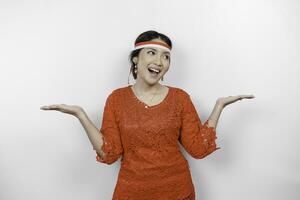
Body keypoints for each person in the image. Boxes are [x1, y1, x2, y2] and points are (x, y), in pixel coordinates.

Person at [40, 30, 255, 200]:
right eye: (152, 53)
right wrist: (81, 115)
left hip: (177, 191)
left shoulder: (180, 98)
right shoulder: (116, 99)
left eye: (166, 57)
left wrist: (219, 107)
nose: (159, 62)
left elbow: (198, 149)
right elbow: (109, 154)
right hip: (131, 193)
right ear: (136, 59)